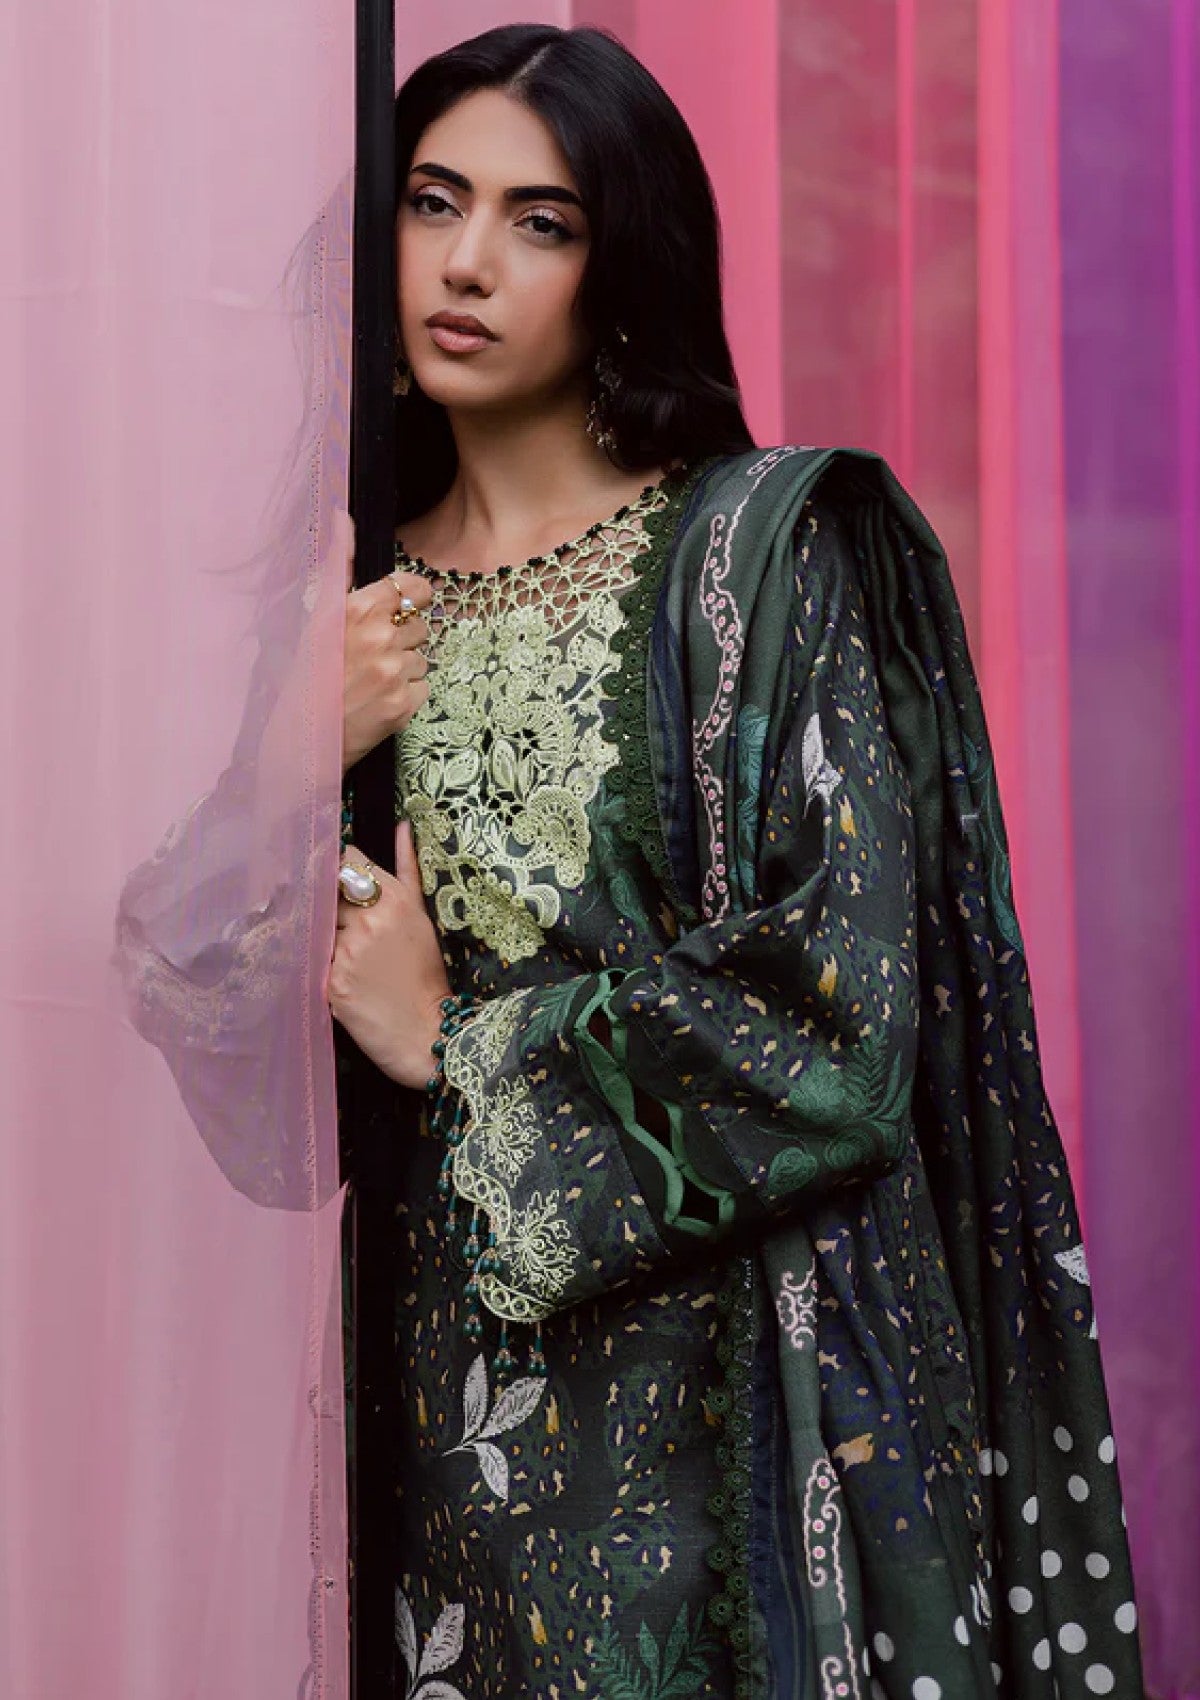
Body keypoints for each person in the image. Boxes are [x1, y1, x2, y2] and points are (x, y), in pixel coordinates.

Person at [324, 23, 1143, 1700]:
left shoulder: (762, 556)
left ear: (624, 266)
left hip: (751, 1413)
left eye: (542, 223)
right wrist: (293, 746)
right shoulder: (331, 607)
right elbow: (175, 1015)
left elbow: (840, 1008)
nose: (466, 264)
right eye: (433, 201)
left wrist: (460, 1045)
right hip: (439, 1412)